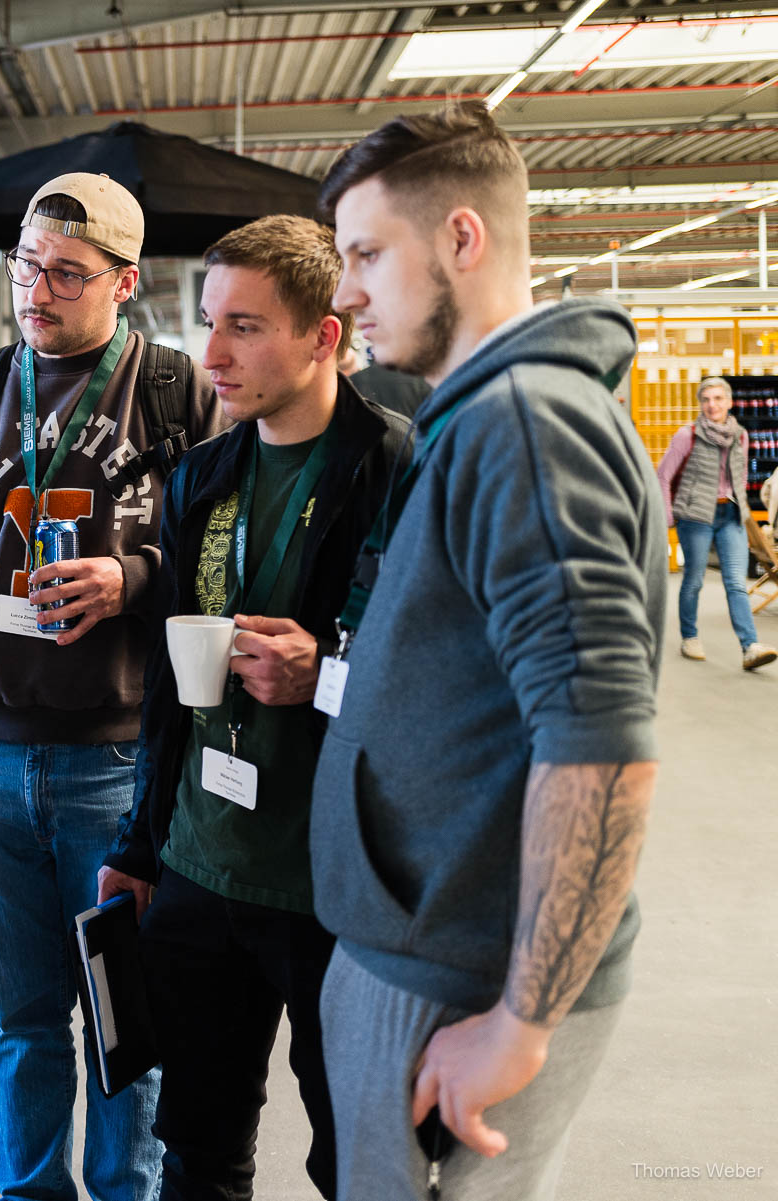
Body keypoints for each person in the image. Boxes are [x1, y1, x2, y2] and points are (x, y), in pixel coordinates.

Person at [314, 101, 664, 1199]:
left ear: (462, 239)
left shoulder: (523, 421)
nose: (345, 291)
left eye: (368, 253)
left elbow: (600, 745)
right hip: (436, 944)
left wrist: (520, 1017)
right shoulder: (481, 418)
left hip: (458, 977)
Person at [0, 172, 222, 1201]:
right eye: (27, 266)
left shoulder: (179, 395)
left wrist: (135, 578)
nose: (38, 289)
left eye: (67, 274)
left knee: (128, 1017)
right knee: (23, 1017)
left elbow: (230, 560)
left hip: (119, 763)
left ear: (124, 282)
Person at [99, 215, 409, 1200]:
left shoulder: (398, 469)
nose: (213, 355)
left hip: (333, 891)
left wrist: (326, 669)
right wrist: (140, 843)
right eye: (206, 323)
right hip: (200, 865)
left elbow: (441, 684)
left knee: (356, 1155)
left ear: (325, 335)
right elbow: (165, 686)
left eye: (245, 326)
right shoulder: (202, 472)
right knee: (197, 1147)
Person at [655, 376, 775, 670]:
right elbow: (663, 475)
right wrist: (668, 515)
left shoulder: (741, 435)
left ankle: (750, 647)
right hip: (695, 516)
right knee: (694, 579)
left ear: (729, 402)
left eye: (718, 399)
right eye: (706, 399)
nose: (713, 405)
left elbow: (742, 472)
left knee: (735, 582)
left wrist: (740, 506)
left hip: (730, 516)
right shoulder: (688, 435)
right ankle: (690, 637)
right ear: (700, 403)